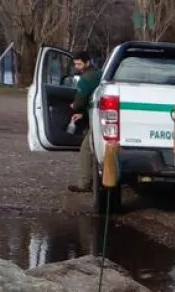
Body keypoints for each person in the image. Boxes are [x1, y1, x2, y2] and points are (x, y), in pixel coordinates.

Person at [67, 51, 103, 193]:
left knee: (86, 149)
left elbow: (80, 100)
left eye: (79, 64)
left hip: (96, 117)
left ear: (87, 62)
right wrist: (83, 114)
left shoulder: (86, 78)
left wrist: (74, 107)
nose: (77, 67)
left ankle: (85, 184)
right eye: (75, 64)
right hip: (99, 115)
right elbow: (93, 98)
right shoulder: (100, 73)